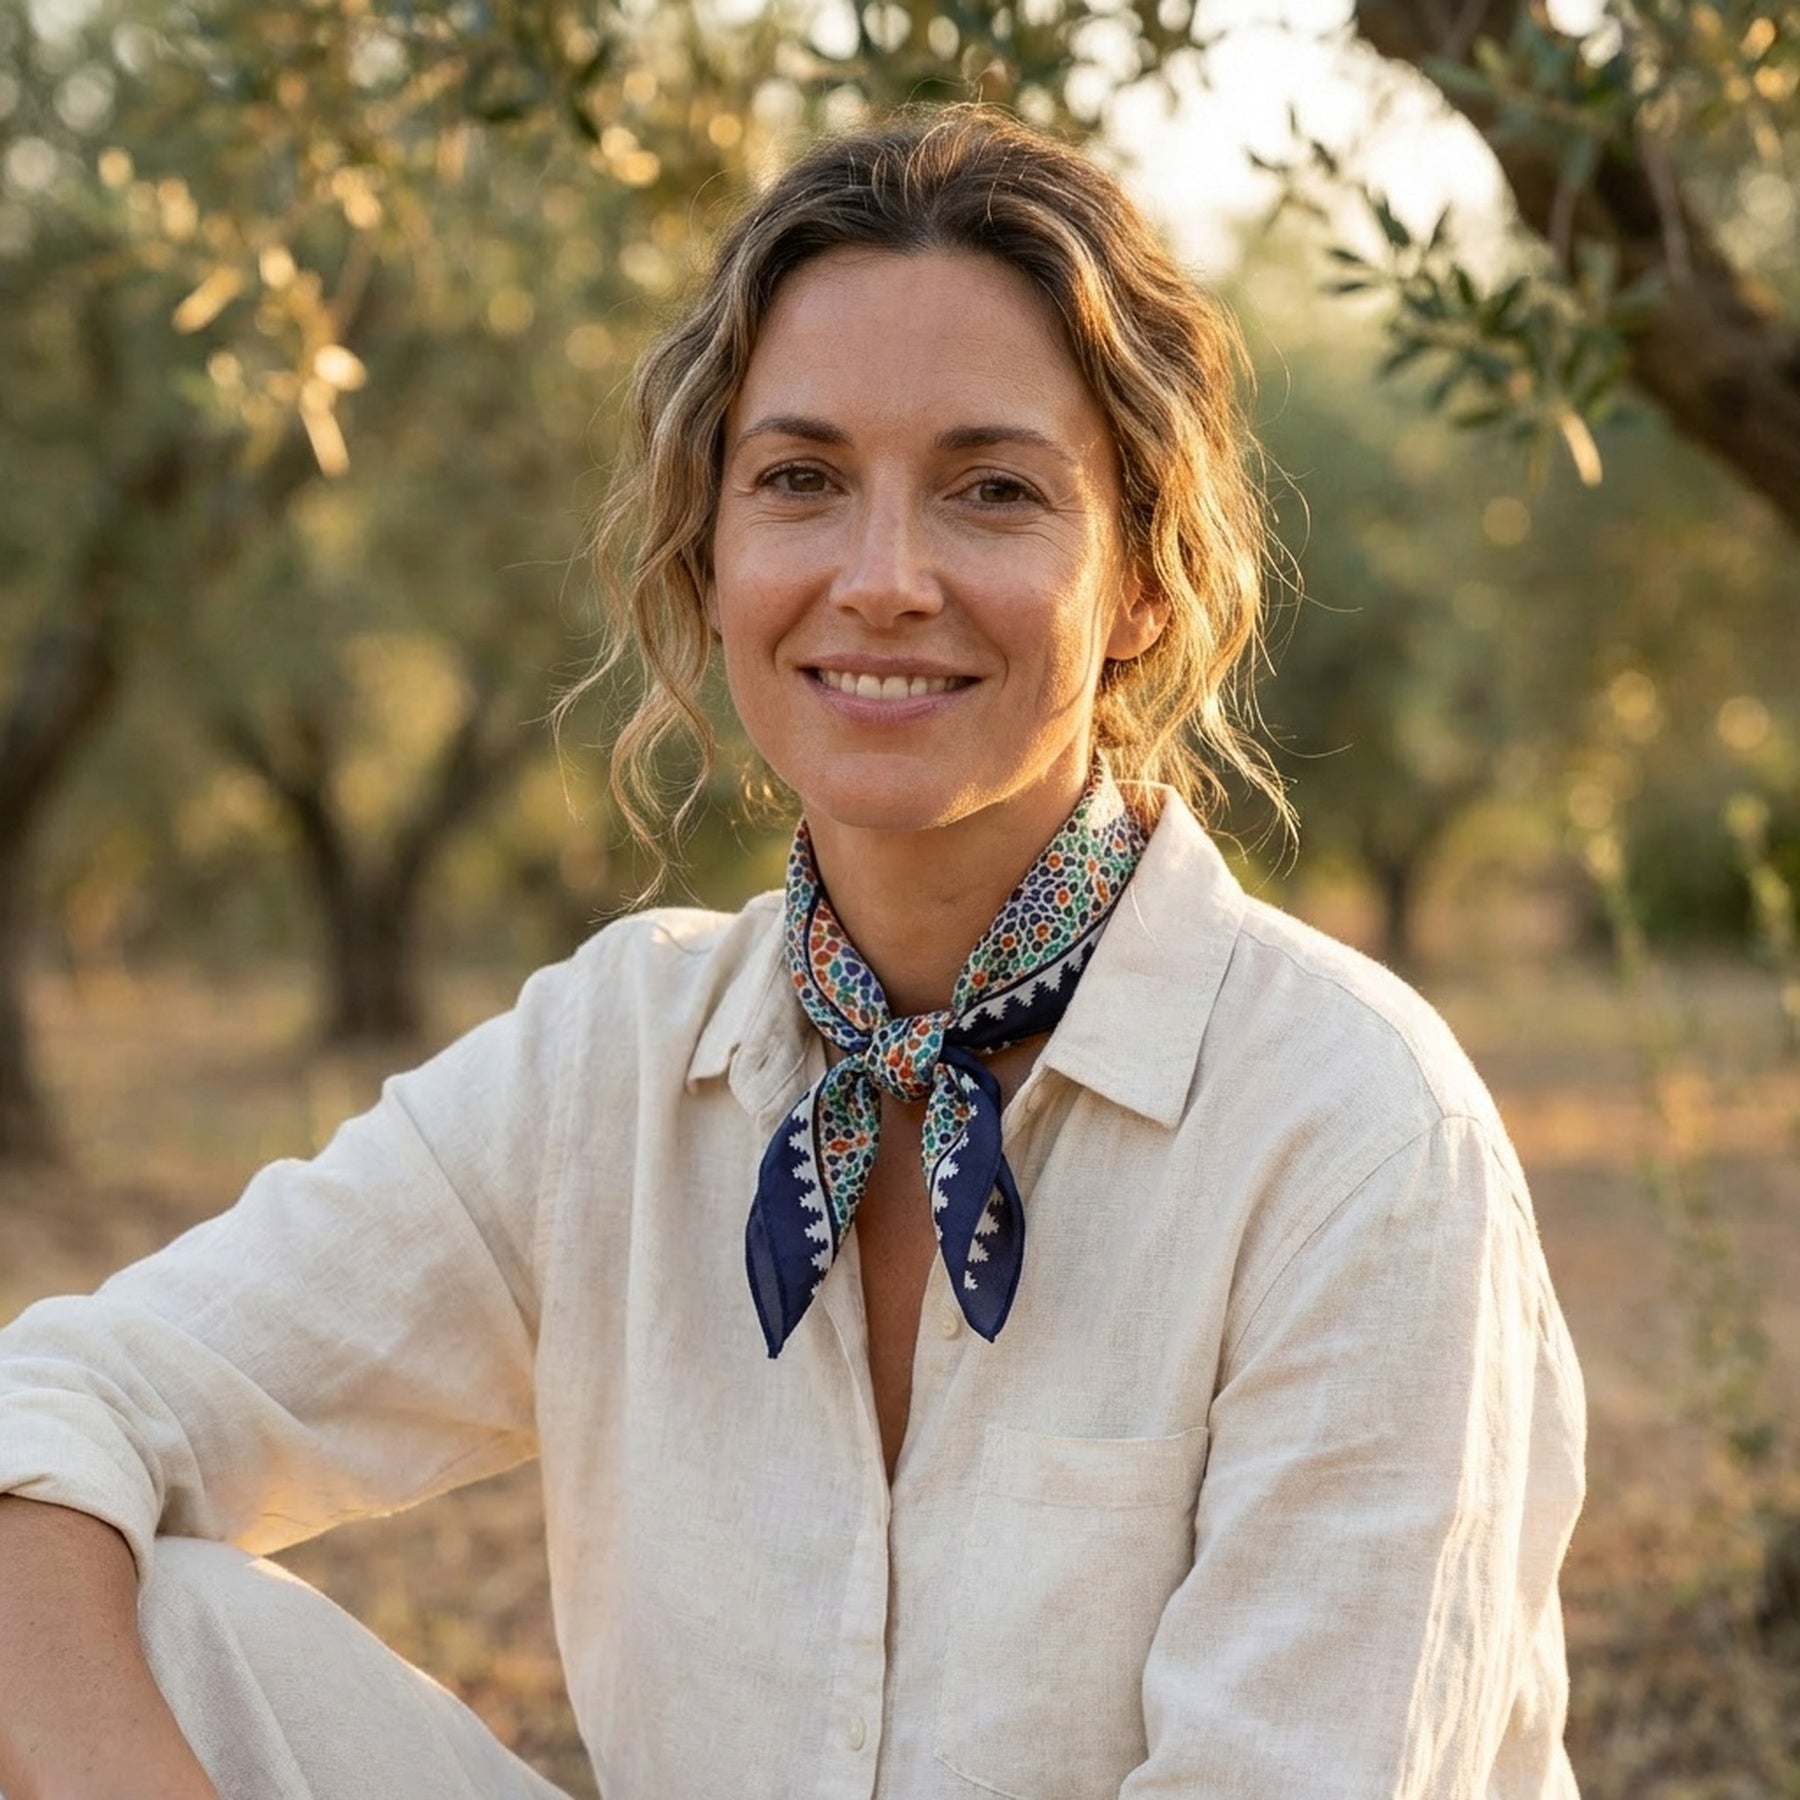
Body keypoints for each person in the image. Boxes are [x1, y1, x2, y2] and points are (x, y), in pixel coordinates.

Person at [0, 106, 1585, 1799]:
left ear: (1142, 580)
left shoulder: (1351, 1134)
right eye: (802, 482)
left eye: (992, 491)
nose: (884, 578)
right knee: (125, 1603)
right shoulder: (615, 1062)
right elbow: (71, 1399)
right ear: (711, 555)